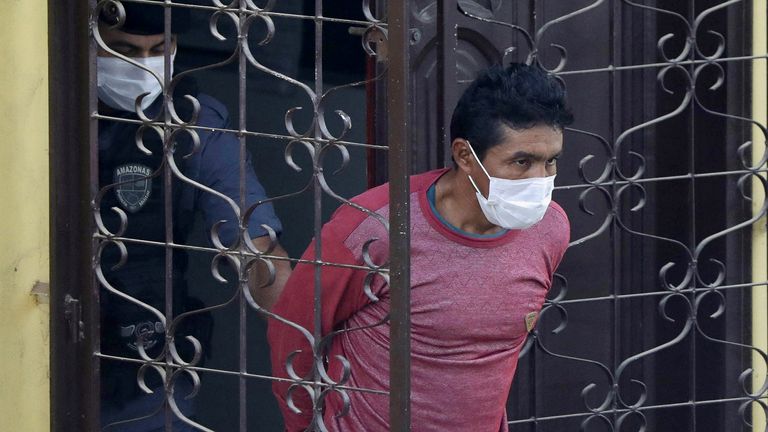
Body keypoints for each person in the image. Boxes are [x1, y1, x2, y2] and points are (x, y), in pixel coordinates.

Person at [267, 63, 573, 431]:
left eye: (550, 161)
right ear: (464, 156)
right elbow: (295, 331)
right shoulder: (375, 229)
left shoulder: (550, 229)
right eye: (521, 162)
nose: (539, 180)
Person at [95, 2, 291, 430]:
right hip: (50, 349)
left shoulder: (194, 124)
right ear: (90, 47)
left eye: (159, 48)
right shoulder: (46, 115)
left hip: (147, 370)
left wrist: (303, 342)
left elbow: (253, 241)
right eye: (124, 49)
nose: (144, 66)